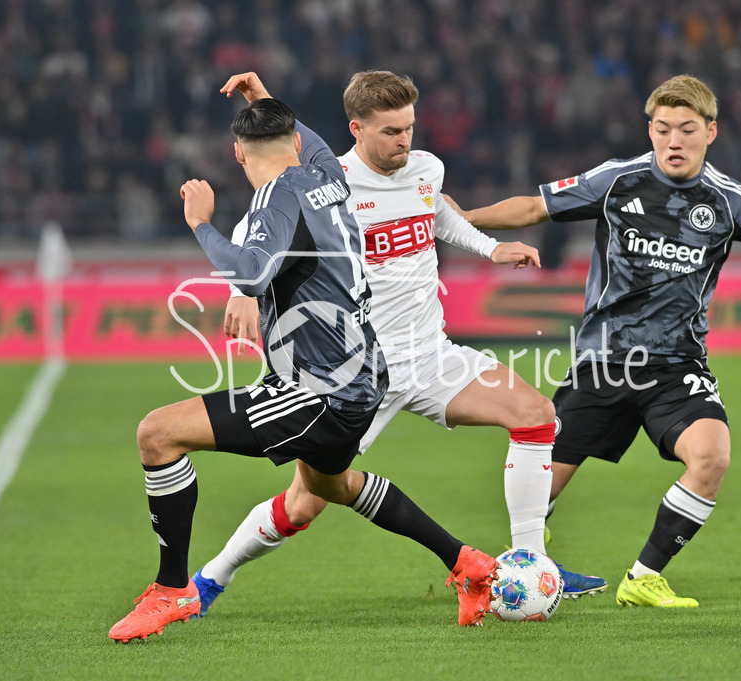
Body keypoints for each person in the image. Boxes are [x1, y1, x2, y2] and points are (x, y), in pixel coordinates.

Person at [189, 71, 607, 619]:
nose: (404, 140)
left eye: (409, 127)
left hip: (431, 354)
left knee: (535, 415)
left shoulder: (426, 169)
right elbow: (256, 229)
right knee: (305, 501)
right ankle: (209, 579)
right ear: (357, 130)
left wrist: (491, 248)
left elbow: (438, 215)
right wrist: (241, 295)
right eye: (390, 131)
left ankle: (533, 564)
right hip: (357, 370)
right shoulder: (327, 182)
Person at [458, 74, 741, 607]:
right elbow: (535, 207)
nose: (674, 141)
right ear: (650, 129)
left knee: (711, 456)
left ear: (711, 132)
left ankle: (643, 577)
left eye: (687, 130)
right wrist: (461, 221)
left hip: (678, 365)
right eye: (663, 129)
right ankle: (530, 564)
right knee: (537, 488)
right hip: (606, 360)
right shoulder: (617, 180)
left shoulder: (730, 200)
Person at [108, 87, 499, 642]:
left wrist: (200, 222)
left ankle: (172, 590)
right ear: (295, 141)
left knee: (157, 434)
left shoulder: (278, 198)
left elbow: (251, 274)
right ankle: (467, 564)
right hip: (363, 376)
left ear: (237, 154)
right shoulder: (328, 176)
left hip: (319, 390)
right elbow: (309, 141)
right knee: (333, 487)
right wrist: (263, 95)